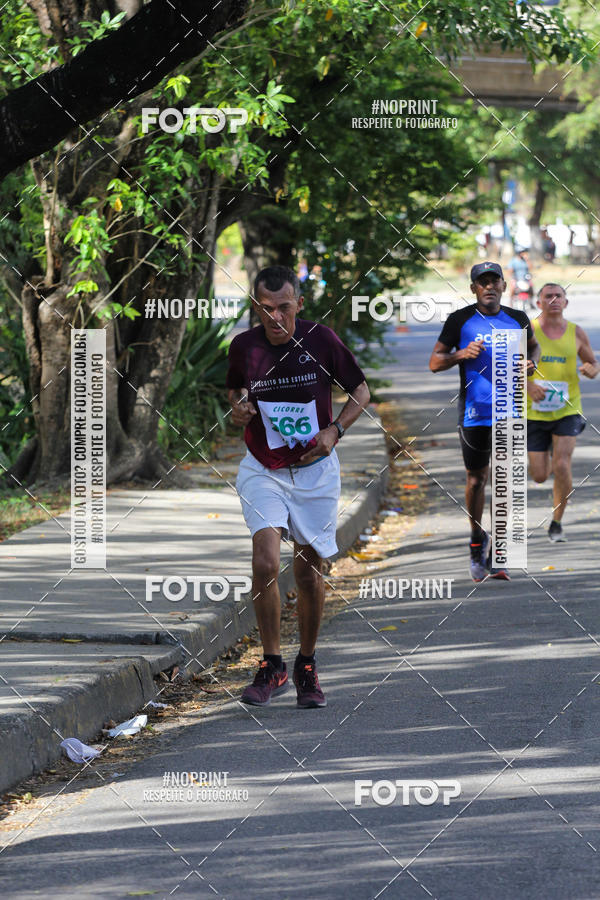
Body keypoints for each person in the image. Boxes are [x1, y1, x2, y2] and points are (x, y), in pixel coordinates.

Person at [227, 265, 370, 708]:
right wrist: (238, 410)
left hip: (315, 474)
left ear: (299, 305)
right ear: (256, 307)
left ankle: (306, 664)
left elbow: (361, 391)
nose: (275, 318)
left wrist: (334, 432)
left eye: (284, 308)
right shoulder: (243, 346)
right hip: (263, 469)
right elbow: (234, 394)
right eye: (266, 309)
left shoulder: (322, 340)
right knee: (266, 562)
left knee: (308, 572)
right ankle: (271, 665)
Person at [429, 261, 540, 581]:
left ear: (504, 286)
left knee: (505, 483)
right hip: (474, 414)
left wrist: (532, 362)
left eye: (495, 281)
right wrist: (460, 355)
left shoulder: (518, 319)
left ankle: (500, 553)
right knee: (476, 480)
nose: (489, 287)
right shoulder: (459, 320)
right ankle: (477, 540)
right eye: (483, 282)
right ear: (473, 288)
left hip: (511, 412)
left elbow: (533, 345)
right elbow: (435, 363)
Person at [527, 283, 599, 541]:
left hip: (568, 409)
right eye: (548, 296)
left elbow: (592, 362)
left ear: (566, 303)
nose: (554, 300)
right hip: (533, 412)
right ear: (539, 303)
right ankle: (545, 455)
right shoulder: (528, 331)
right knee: (539, 475)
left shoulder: (576, 332)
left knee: (562, 465)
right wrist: (528, 384)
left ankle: (556, 521)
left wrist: (592, 369)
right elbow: (508, 366)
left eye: (559, 296)